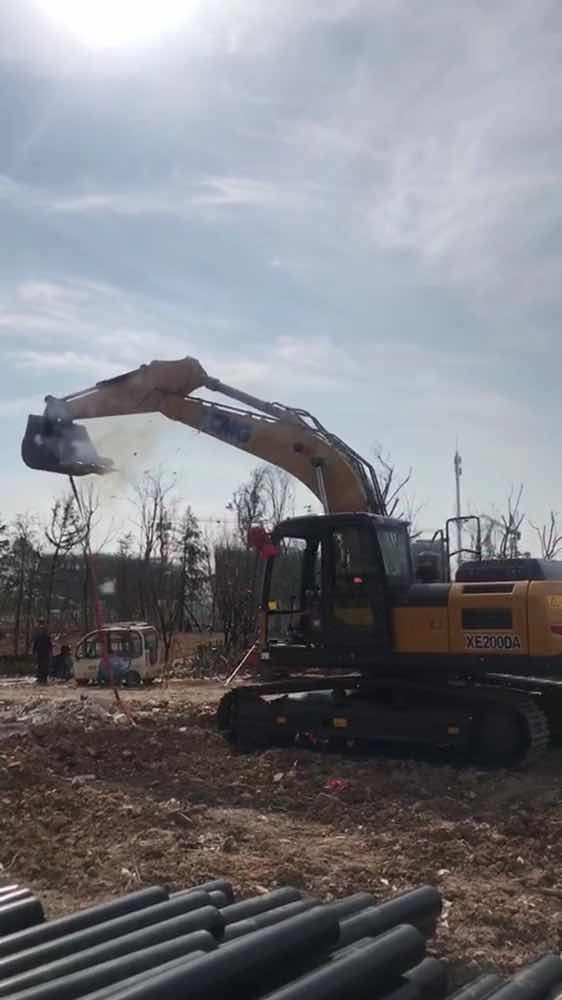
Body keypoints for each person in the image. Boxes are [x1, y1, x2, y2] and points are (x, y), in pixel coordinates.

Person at [32, 620, 53, 685]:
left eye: (43, 629)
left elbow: (50, 645)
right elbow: (35, 645)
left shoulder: (46, 636)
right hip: (39, 653)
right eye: (41, 629)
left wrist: (50, 652)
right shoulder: (37, 636)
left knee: (44, 666)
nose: (42, 630)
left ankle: (44, 679)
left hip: (45, 653)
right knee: (40, 666)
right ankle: (40, 679)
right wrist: (34, 652)